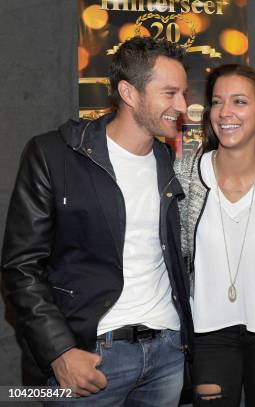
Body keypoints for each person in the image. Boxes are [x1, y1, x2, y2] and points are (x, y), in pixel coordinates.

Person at [1, 36, 193, 405]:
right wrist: (59, 352)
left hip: (167, 353)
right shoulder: (54, 154)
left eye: (183, 93)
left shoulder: (172, 164)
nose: (183, 106)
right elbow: (21, 266)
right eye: (170, 93)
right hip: (90, 358)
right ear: (129, 92)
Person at [175, 64, 255, 406]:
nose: (225, 112)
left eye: (239, 102)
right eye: (217, 102)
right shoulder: (184, 174)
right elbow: (171, 251)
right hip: (206, 332)